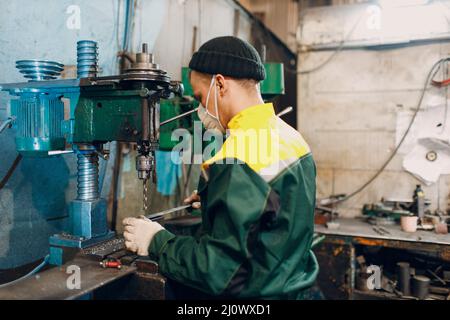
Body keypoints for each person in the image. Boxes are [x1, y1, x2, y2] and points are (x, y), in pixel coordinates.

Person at [122, 36, 318, 299]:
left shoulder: (238, 155)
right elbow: (275, 215)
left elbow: (217, 270)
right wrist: (218, 198)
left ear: (221, 84)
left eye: (201, 98)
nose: (201, 110)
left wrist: (157, 240)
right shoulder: (293, 139)